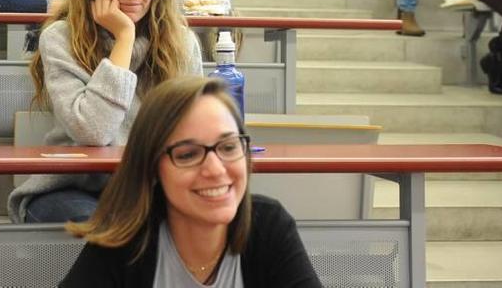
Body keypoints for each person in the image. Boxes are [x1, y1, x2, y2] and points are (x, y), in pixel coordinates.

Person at [7, 0, 204, 224]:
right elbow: (94, 132)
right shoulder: (61, 37)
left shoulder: (180, 43)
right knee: (105, 230)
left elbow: (194, 131)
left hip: (146, 186)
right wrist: (124, 39)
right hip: (70, 187)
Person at [60, 76, 321, 286]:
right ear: (152, 168)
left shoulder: (269, 227)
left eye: (228, 147)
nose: (216, 169)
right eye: (187, 154)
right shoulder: (123, 244)